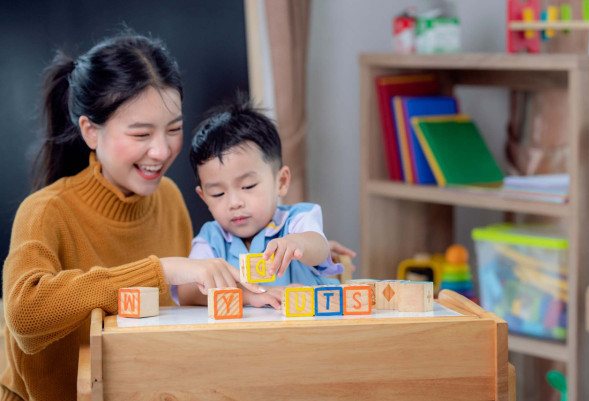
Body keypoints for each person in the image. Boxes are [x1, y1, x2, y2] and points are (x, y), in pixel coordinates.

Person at [0, 33, 270, 401]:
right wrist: (161, 270)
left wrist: (293, 248)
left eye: (174, 129)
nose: (161, 150)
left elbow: (179, 309)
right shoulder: (46, 212)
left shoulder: (169, 199)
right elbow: (25, 315)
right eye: (141, 133)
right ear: (90, 131)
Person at [175, 96, 344, 307]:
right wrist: (249, 295)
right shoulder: (211, 240)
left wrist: (297, 243)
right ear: (204, 198)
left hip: (301, 335)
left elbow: (319, 248)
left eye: (248, 187)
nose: (234, 203)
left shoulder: (295, 221)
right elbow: (188, 292)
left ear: (281, 181)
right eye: (218, 194)